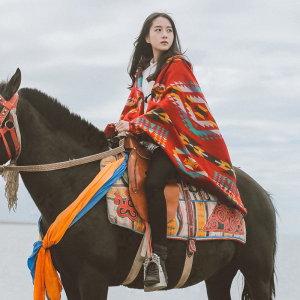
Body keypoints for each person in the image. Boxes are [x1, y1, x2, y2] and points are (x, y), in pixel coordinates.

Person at [114, 12, 247, 290]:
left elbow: (174, 106)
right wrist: (123, 125)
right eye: (158, 30)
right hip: (144, 141)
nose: (165, 34)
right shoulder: (143, 74)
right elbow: (133, 106)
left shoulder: (177, 66)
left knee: (153, 184)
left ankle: (158, 260)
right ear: (147, 37)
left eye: (169, 30)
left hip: (174, 144)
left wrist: (136, 122)